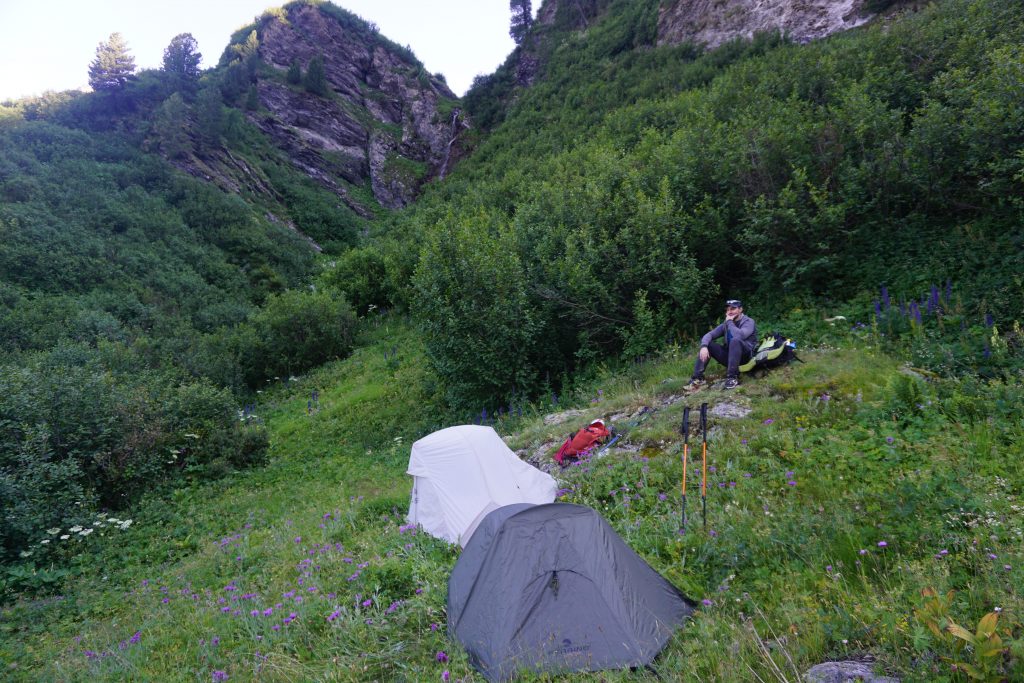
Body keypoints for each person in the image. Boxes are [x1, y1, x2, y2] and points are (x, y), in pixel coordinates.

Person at [687, 299, 757, 390]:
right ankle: (697, 378)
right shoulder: (726, 324)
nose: (729, 312)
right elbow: (709, 335)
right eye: (728, 310)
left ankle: (732, 378)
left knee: (735, 340)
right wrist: (704, 346)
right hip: (730, 358)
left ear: (740, 309)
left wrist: (729, 322)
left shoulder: (748, 322)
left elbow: (740, 335)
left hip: (746, 357)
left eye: (732, 309)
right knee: (709, 344)